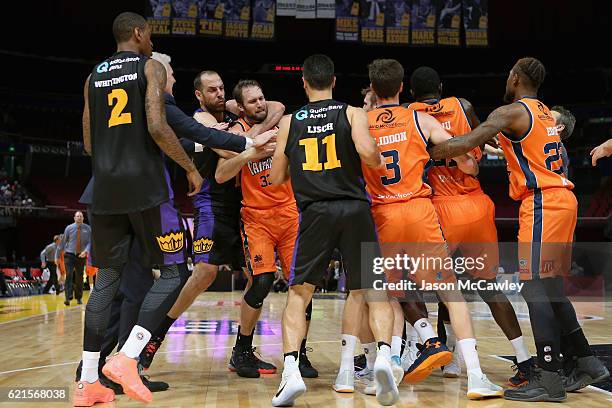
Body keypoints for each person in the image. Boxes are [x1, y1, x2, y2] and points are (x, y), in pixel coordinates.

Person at [428, 57, 610, 402]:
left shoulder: (510, 112)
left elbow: (465, 142)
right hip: (563, 200)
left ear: (514, 78)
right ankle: (587, 361)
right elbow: (523, 149)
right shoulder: (544, 112)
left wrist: (427, 150)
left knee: (533, 288)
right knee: (551, 287)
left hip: (543, 202)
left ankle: (549, 377)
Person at [74, 12, 204, 406]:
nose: (151, 40)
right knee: (174, 270)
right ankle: (128, 358)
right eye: (149, 34)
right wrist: (190, 168)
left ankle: (89, 382)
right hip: (145, 188)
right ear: (138, 33)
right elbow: (157, 124)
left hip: (105, 191)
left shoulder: (93, 77)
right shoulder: (149, 67)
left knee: (106, 282)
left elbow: (89, 142)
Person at [358, 59, 502, 399]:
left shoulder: (360, 123)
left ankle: (391, 362)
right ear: (401, 87)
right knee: (452, 295)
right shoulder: (420, 119)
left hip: (383, 214)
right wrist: (467, 160)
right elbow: (462, 155)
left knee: (389, 296)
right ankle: (477, 376)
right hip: (420, 211)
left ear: (372, 87)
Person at [269, 54, 398, 407]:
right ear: (334, 82)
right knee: (374, 290)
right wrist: (377, 159)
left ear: (305, 83)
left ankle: (291, 371)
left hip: (315, 213)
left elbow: (276, 177)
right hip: (356, 209)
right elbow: (369, 154)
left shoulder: (290, 122)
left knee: (299, 294)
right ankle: (385, 357)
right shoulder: (353, 112)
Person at [137, 69, 279, 373]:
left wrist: (245, 116)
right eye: (211, 90)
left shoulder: (233, 113)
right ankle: (155, 336)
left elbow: (277, 107)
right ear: (199, 95)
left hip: (243, 206)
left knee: (259, 277)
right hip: (211, 203)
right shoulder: (200, 120)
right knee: (205, 272)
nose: (217, 93)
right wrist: (251, 137)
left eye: (221, 89)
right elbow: (227, 147)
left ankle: (242, 350)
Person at [407, 66, 530, 386]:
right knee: (488, 287)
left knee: (413, 284)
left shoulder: (411, 114)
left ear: (410, 93)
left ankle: (429, 349)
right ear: (441, 86)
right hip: (477, 206)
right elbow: (481, 136)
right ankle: (524, 359)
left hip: (440, 209)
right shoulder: (463, 105)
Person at [214, 79, 318, 379]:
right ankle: (241, 350)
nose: (260, 104)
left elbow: (279, 107)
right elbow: (221, 175)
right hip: (256, 217)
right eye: (252, 101)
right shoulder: (236, 134)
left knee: (303, 285)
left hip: (289, 215)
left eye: (261, 99)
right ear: (241, 108)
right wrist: (249, 152)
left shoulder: (281, 124)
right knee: (261, 282)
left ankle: (299, 354)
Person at [58, 211, 91, 306]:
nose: (79, 218)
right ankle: (67, 297)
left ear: (83, 218)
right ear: (74, 218)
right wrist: (57, 255)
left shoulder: (88, 229)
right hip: (69, 254)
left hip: (81, 256)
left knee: (79, 277)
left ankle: (79, 298)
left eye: (81, 216)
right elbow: (63, 242)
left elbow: (90, 242)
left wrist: (86, 251)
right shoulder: (69, 228)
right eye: (77, 216)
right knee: (69, 275)